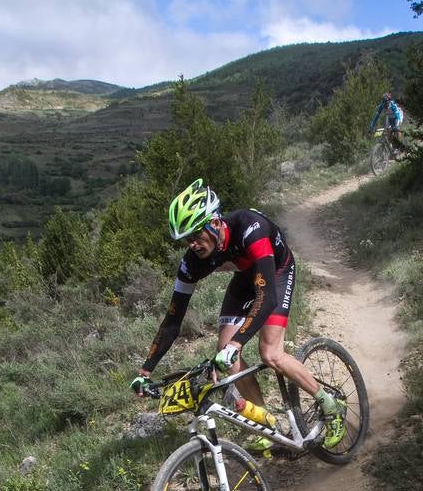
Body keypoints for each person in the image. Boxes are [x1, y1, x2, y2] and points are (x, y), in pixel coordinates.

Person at [131, 178, 347, 451]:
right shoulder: (192, 262)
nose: (193, 245)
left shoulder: (249, 227)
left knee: (270, 353)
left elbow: (266, 297)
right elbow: (173, 319)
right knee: (224, 353)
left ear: (214, 222)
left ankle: (330, 404)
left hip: (276, 272)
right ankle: (267, 424)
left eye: (196, 235)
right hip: (245, 277)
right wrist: (145, 370)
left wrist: (237, 343)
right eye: (187, 239)